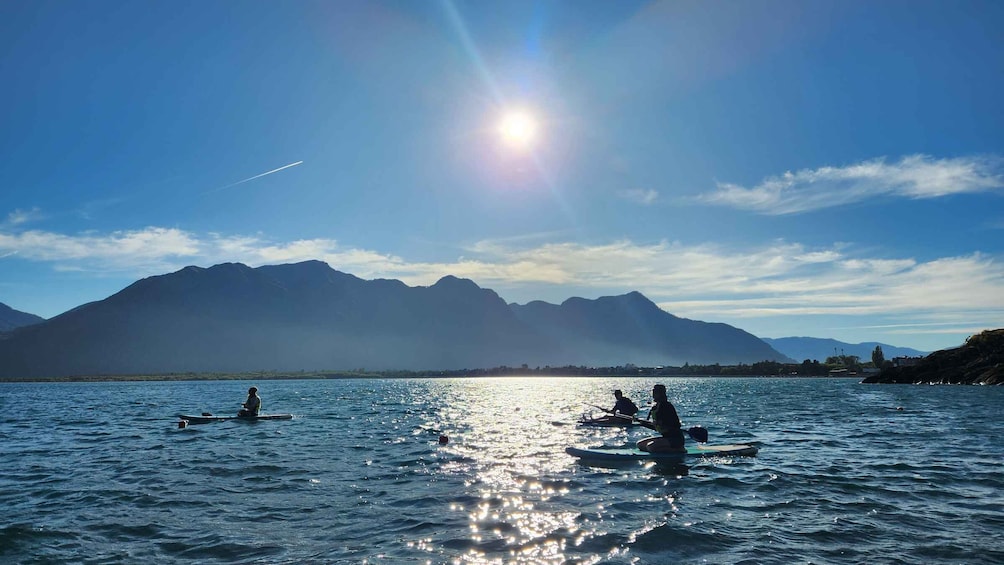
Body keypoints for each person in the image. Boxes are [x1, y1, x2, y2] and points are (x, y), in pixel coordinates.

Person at [637, 384, 686, 453]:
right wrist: (643, 423)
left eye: (655, 392)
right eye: (653, 392)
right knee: (640, 444)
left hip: (676, 439)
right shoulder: (655, 407)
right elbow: (656, 427)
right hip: (666, 438)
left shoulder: (667, 406)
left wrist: (661, 423)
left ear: (660, 394)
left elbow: (675, 424)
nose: (653, 394)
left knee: (650, 447)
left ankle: (679, 449)